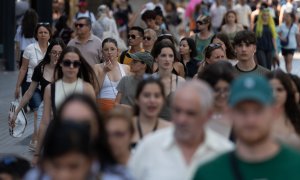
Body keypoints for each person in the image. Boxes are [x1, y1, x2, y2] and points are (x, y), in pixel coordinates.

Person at [193, 74, 300, 180]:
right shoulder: (208, 173)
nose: (250, 119)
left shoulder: (295, 168)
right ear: (229, 113)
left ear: (275, 112)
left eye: (258, 110)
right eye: (241, 110)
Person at [129, 80, 234, 180]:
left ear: (207, 115)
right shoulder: (149, 147)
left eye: (190, 113)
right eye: (177, 111)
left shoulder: (225, 153)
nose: (181, 120)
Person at [36, 46, 97, 162]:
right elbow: (45, 122)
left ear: (80, 65)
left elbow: (93, 121)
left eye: (76, 64)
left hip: (81, 143)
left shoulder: (87, 88)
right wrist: (37, 154)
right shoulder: (50, 89)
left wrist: (95, 149)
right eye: (67, 63)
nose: (71, 67)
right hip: (56, 142)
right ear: (60, 63)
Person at [11, 38, 66, 151]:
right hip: (45, 108)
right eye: (54, 52)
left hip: (63, 108)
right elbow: (29, 92)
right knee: (44, 139)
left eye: (60, 53)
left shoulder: (67, 68)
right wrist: (16, 112)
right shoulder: (40, 68)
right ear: (49, 53)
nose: (56, 56)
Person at [14, 23, 51, 149]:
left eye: (45, 32)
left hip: (47, 84)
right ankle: (37, 139)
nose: (43, 35)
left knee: (45, 111)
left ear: (49, 34)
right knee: (37, 112)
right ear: (36, 34)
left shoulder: (53, 49)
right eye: (40, 32)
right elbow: (23, 68)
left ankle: (38, 137)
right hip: (31, 83)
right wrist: (17, 86)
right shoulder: (29, 49)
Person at [26, 121, 96, 180]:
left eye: (73, 166)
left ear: (89, 162)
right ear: (45, 163)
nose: (64, 176)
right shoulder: (33, 176)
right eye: (56, 165)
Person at [198, 61, 235, 138]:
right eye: (216, 90)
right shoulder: (198, 116)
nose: (222, 95)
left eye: (226, 90)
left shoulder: (238, 116)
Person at [131, 77, 171, 148]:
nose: (152, 100)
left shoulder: (170, 130)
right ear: (137, 99)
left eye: (157, 96)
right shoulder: (125, 126)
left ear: (163, 100)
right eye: (146, 95)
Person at [94, 38, 130, 114]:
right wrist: (104, 72)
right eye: (106, 50)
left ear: (118, 51)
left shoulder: (126, 68)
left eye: (112, 49)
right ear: (102, 53)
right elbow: (94, 91)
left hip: (121, 108)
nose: (109, 52)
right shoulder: (97, 67)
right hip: (103, 108)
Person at [151, 41, 185, 120]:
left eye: (170, 56)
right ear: (156, 58)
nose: (167, 59)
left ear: (174, 59)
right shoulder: (149, 80)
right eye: (163, 55)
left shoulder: (181, 82)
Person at [266, 70, 300, 149]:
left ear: (287, 92)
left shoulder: (297, 117)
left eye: (279, 90)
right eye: (270, 90)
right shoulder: (255, 119)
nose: (275, 94)